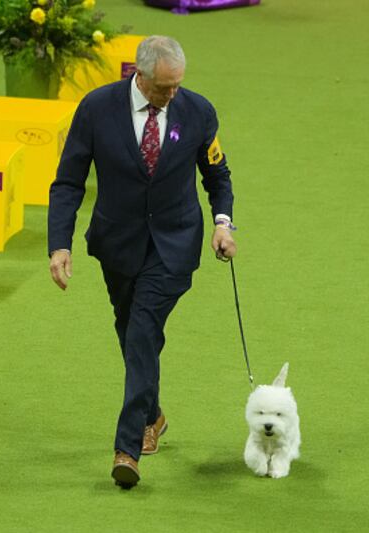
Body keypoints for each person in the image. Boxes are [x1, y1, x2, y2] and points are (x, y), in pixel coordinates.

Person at [47, 35, 237, 488]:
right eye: (163, 88)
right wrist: (60, 244)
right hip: (118, 243)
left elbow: (217, 174)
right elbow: (69, 181)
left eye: (176, 86)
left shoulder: (197, 111)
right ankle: (153, 413)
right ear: (140, 74)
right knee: (131, 329)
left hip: (175, 244)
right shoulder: (96, 108)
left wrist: (223, 223)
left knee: (143, 328)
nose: (172, 95)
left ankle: (127, 447)